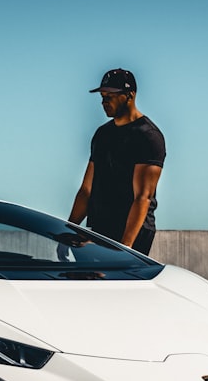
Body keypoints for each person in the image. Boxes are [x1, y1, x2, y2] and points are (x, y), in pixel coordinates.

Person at [67, 68, 165, 255]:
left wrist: (125, 247)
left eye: (110, 96)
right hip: (98, 232)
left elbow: (142, 197)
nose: (104, 101)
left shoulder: (148, 136)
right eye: (102, 96)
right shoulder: (102, 134)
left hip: (132, 235)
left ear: (129, 95)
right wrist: (69, 230)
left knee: (121, 284)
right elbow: (86, 190)